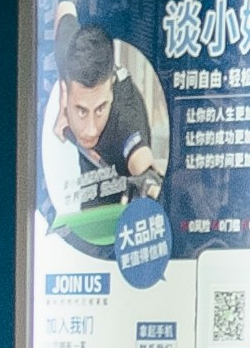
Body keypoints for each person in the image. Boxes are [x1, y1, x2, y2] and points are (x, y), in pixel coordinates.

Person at [37, 17, 169, 232]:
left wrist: (149, 182)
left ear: (111, 86)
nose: (90, 129)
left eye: (100, 109)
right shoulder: (71, 57)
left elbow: (143, 165)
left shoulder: (125, 120)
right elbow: (65, 10)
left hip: (118, 190)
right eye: (81, 110)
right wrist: (62, 110)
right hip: (92, 179)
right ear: (65, 91)